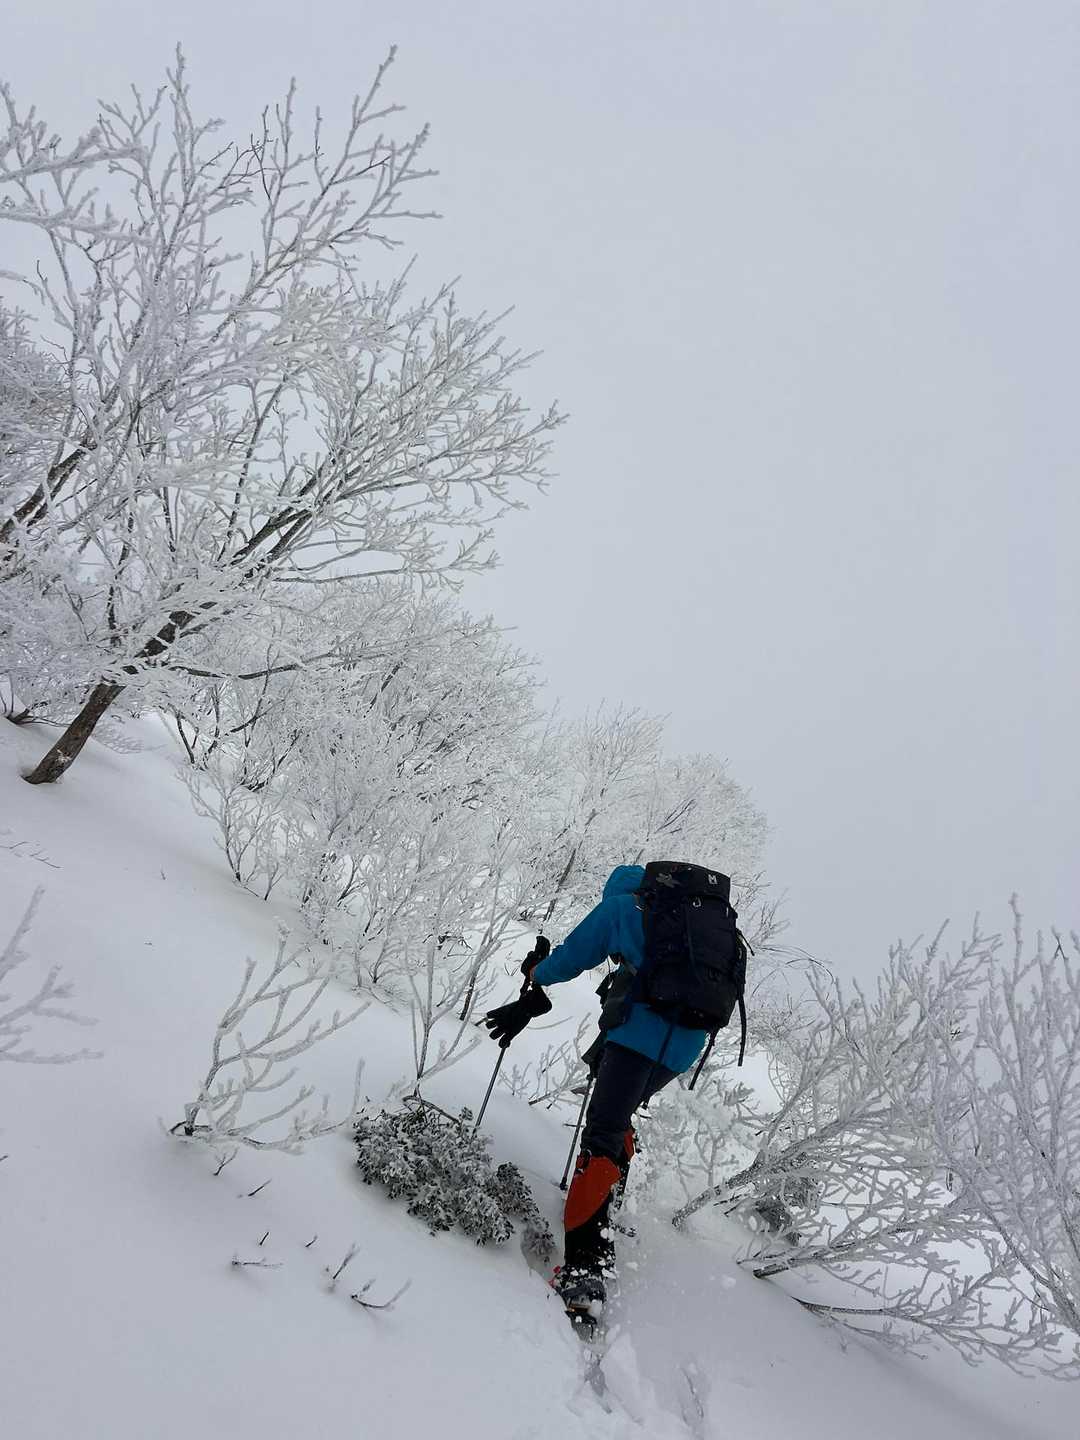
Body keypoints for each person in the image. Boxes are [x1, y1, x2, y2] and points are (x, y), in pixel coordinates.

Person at [483, 864, 709, 1323]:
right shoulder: (688, 926)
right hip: (684, 1047)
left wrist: (537, 971)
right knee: (616, 1121)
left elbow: (574, 956)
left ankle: (585, 1273)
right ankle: (607, 1206)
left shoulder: (623, 908)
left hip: (637, 1038)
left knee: (601, 1136)